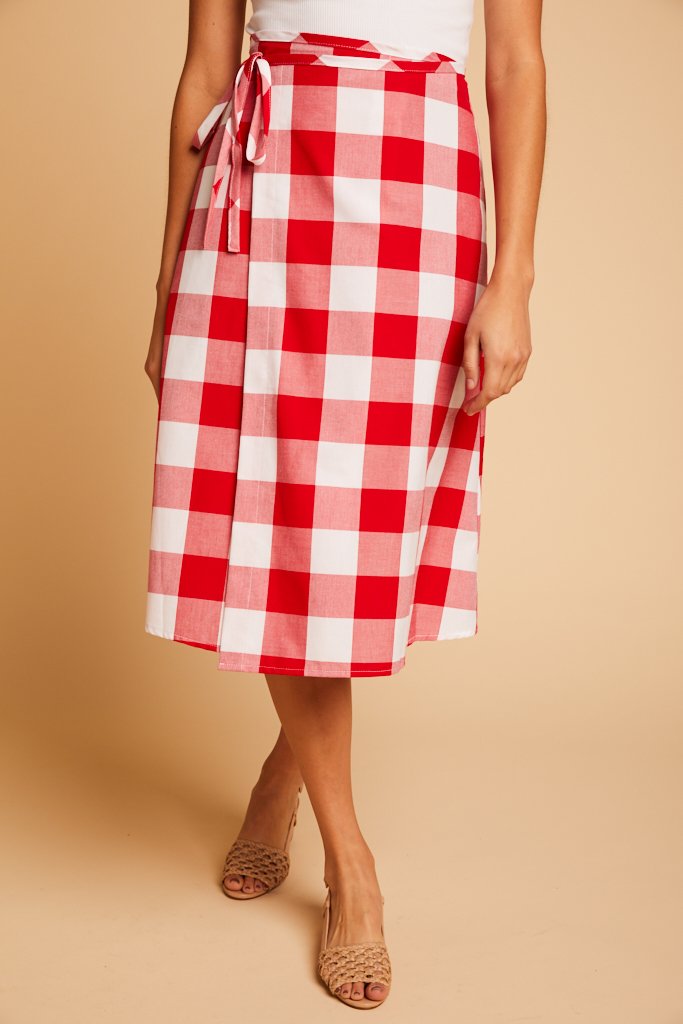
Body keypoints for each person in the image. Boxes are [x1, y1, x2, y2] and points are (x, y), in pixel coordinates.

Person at [143, 0, 545, 1009]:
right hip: (258, 190)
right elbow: (203, 71)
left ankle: (282, 775)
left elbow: (514, 64)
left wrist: (513, 280)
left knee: (356, 539)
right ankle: (350, 863)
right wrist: (167, 282)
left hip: (418, 181)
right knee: (278, 522)